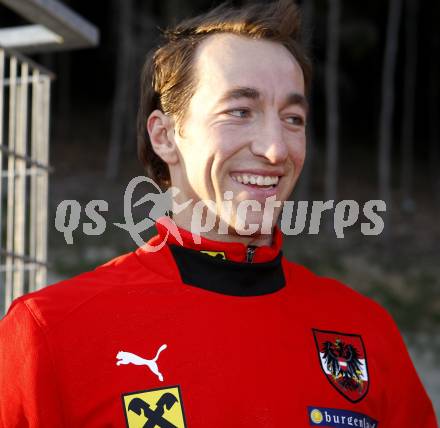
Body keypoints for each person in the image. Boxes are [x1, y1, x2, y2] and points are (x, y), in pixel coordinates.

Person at [0, 0, 437, 427]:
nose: (275, 149)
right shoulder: (47, 333)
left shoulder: (366, 330)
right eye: (239, 112)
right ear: (166, 136)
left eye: (293, 118)